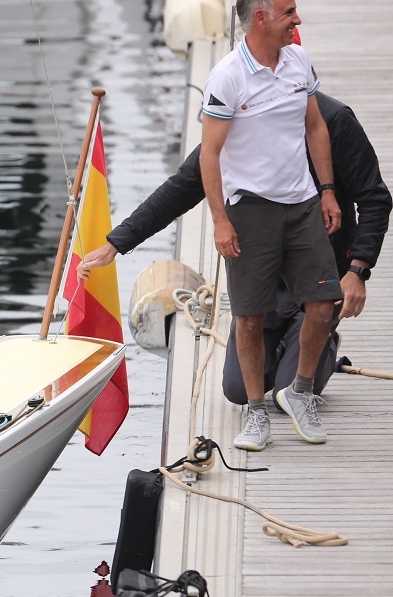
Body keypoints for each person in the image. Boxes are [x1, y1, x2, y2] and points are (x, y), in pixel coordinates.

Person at [78, 89, 389, 410]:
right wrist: (116, 243)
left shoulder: (335, 121)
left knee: (288, 393)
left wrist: (358, 270)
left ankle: (323, 343)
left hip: (320, 277)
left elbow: (374, 199)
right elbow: (180, 189)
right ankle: (286, 344)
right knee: (237, 390)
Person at [184, 0, 340, 452]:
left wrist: (328, 191)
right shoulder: (228, 77)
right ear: (261, 18)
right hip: (249, 212)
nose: (298, 19)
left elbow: (315, 127)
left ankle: (300, 392)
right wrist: (220, 221)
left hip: (302, 205)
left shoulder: (298, 60)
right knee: (249, 318)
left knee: (323, 305)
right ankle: (255, 414)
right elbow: (209, 155)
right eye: (289, 11)